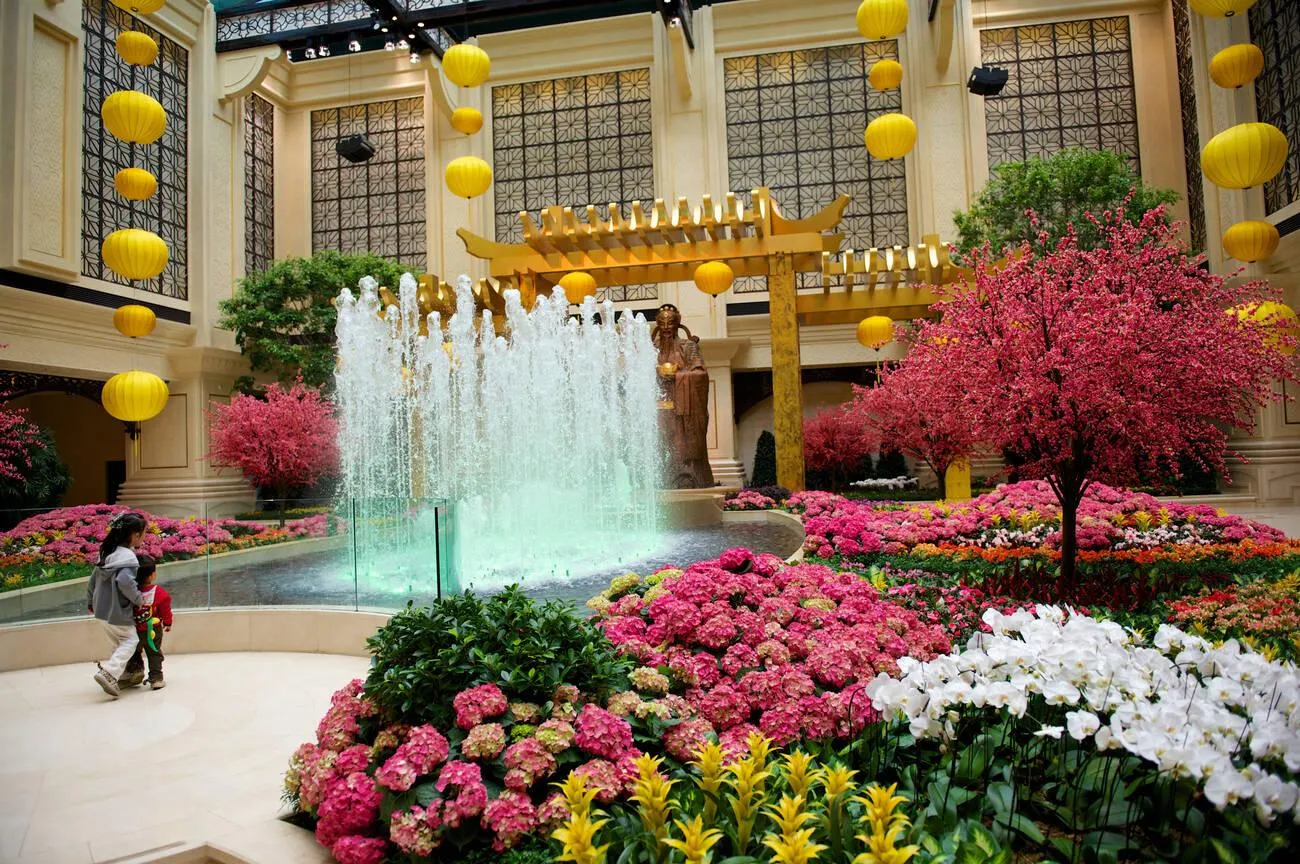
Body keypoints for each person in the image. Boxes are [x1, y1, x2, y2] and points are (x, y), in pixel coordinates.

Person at [651, 304, 715, 489]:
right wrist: (656, 373)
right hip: (658, 407)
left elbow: (701, 374)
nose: (665, 328)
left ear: (677, 325)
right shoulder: (652, 349)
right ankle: (660, 480)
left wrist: (678, 376)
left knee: (681, 446)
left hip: (683, 408)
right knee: (661, 444)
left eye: (670, 323)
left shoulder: (688, 347)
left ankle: (687, 479)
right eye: (662, 323)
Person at [86, 511, 148, 698]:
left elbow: (92, 580)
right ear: (134, 535)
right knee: (131, 640)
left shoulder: (107, 553)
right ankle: (109, 673)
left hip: (101, 610)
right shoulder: (128, 558)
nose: (144, 537)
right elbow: (125, 582)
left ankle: (122, 674)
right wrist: (138, 598)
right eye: (144, 533)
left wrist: (90, 602)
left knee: (118, 642)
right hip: (117, 611)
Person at [120, 554, 172, 691]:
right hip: (152, 630)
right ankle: (156, 678)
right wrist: (167, 623)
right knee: (154, 653)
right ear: (152, 575)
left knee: (133, 652)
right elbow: (165, 609)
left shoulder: (130, 592)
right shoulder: (159, 592)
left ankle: (135, 671)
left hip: (133, 629)